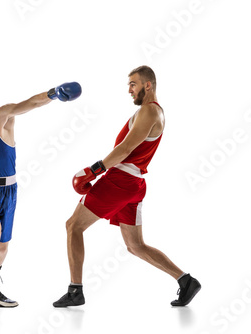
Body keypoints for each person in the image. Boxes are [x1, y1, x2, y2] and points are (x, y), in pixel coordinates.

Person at [53, 66, 201, 308]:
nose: (129, 90)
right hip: (134, 184)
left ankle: (75, 290)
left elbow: (125, 150)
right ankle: (186, 281)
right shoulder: (154, 112)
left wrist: (93, 170)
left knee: (73, 226)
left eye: (133, 84)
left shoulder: (149, 112)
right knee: (135, 245)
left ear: (148, 85)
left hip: (120, 181)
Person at [0, 79, 81, 308]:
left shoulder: (1, 115)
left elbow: (31, 103)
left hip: (9, 190)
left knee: (2, 245)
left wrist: (53, 93)